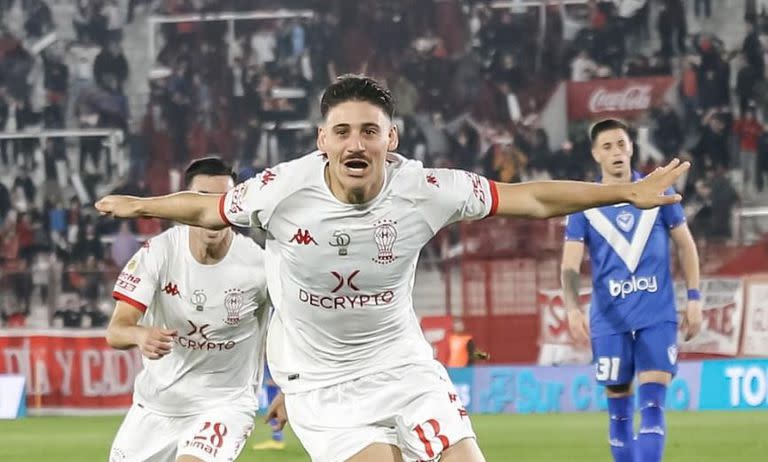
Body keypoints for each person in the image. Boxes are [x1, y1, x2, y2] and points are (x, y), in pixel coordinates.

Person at [97, 75, 690, 462]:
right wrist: (141, 205)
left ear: (392, 138)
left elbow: (531, 198)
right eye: (343, 131)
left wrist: (619, 194)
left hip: (403, 365)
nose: (357, 142)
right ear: (322, 139)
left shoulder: (425, 188)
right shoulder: (278, 190)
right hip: (321, 384)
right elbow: (206, 207)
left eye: (370, 131)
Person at [105, 157, 279, 462]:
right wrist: (139, 335)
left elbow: (296, 326)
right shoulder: (158, 253)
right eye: (201, 199)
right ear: (182, 204)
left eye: (222, 200)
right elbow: (116, 331)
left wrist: (290, 389)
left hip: (225, 406)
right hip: (156, 407)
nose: (212, 209)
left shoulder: (259, 264)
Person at [560, 119, 702, 462]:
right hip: (610, 320)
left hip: (657, 314)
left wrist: (694, 298)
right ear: (596, 154)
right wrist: (572, 307)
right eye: (607, 147)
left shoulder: (657, 191)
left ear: (632, 147)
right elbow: (569, 265)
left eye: (621, 144)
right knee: (620, 416)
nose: (617, 153)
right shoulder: (585, 205)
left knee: (653, 406)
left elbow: (685, 245)